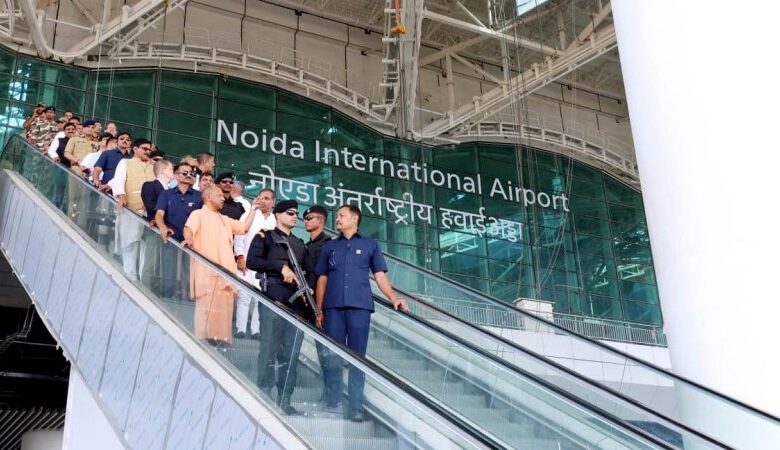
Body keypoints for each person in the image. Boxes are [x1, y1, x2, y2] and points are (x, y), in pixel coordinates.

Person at [315, 205, 408, 422]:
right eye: (337, 216)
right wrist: (319, 309)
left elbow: (380, 276)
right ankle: (334, 403)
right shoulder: (329, 246)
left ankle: (355, 407)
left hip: (360, 308)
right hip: (333, 308)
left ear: (354, 218)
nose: (337, 219)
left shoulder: (370, 245)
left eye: (341, 215)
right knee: (333, 357)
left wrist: (394, 298)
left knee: (357, 359)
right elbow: (322, 279)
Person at [246, 199, 311, 415]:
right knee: (269, 350)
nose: (295, 217)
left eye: (296, 214)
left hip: (297, 307)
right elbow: (252, 262)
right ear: (278, 215)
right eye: (290, 213)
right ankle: (264, 395)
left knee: (290, 355)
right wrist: (279, 266)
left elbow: (308, 272)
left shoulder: (300, 244)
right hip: (273, 301)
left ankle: (285, 399)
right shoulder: (265, 237)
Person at [182, 186, 260, 347]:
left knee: (224, 312)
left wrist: (253, 209)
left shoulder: (225, 219)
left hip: (226, 273)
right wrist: (189, 239)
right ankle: (204, 343)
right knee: (206, 312)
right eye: (219, 195)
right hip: (207, 271)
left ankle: (221, 344)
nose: (223, 198)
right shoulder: (198, 214)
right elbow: (188, 229)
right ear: (208, 198)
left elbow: (244, 228)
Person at [155, 162, 203, 299]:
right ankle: (166, 298)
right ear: (176, 175)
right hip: (171, 238)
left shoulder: (199, 196)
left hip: (192, 241)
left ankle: (187, 298)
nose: (189, 175)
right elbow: (159, 214)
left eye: (191, 173)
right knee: (168, 270)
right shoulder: (166, 194)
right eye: (184, 173)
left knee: (189, 272)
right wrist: (162, 227)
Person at [110, 138, 155, 280]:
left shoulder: (154, 166)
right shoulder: (125, 162)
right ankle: (130, 277)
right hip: (131, 209)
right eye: (145, 149)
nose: (148, 152)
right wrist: (121, 195)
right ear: (135, 149)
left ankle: (143, 280)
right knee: (129, 244)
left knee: (146, 247)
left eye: (149, 150)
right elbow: (118, 180)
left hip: (150, 212)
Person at [234, 188, 276, 338]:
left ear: (273, 202)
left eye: (266, 198)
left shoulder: (275, 220)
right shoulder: (248, 214)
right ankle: (240, 329)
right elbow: (239, 236)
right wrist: (240, 256)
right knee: (244, 296)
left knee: (259, 298)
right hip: (246, 261)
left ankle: (256, 330)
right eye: (260, 197)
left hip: (264, 266)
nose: (262, 200)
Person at [302, 205, 330, 400]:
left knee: (326, 350)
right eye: (305, 218)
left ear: (321, 221)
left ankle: (330, 393)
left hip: (322, 304)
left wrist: (320, 307)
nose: (306, 220)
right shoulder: (308, 245)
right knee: (321, 351)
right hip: (308, 303)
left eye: (310, 217)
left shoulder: (328, 245)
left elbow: (322, 277)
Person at [140, 159, 174, 293]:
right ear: (163, 171)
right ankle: (145, 291)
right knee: (151, 262)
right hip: (155, 229)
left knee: (167, 264)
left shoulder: (172, 190)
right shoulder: (150, 185)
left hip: (171, 231)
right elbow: (150, 206)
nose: (173, 172)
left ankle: (164, 292)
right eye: (171, 169)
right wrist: (159, 219)